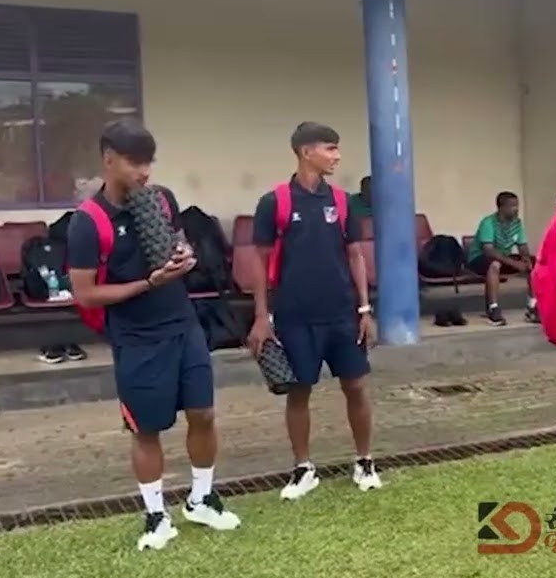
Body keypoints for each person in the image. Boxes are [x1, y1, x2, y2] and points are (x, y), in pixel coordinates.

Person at [68, 118, 241, 551]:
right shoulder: (87, 222)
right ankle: (156, 515)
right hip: (137, 336)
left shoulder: (162, 200)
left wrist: (183, 256)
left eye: (149, 163)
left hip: (183, 325)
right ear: (109, 160)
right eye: (134, 163)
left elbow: (176, 243)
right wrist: (149, 283)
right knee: (147, 429)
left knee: (203, 414)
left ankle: (202, 499)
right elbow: (86, 294)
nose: (144, 172)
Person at [247, 122, 382, 501]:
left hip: (342, 314)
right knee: (299, 392)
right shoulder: (274, 202)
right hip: (294, 317)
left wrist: (364, 308)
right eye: (330, 148)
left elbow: (354, 255)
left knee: (356, 386)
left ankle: (364, 460)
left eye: (338, 149)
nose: (337, 156)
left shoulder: (341, 201)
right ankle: (303, 467)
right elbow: (259, 261)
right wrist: (261, 315)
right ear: (307, 152)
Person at [467, 191, 538, 325]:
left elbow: (522, 245)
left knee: (533, 263)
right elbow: (489, 251)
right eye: (512, 206)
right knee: (495, 264)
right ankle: (493, 308)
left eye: (517, 205)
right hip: (479, 259)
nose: (516, 209)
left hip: (502, 257)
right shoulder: (488, 222)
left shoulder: (517, 223)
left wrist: (525, 258)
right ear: (501, 207)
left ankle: (532, 307)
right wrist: (514, 263)